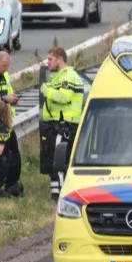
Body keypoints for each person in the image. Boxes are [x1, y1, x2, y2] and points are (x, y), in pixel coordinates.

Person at [39, 47, 85, 201]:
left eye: (50, 59)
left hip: (64, 126)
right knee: (55, 161)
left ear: (59, 59)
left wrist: (46, 91)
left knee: (58, 162)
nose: (48, 63)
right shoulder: (58, 77)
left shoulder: (68, 76)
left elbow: (64, 98)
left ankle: (60, 197)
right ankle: (57, 194)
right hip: (57, 125)